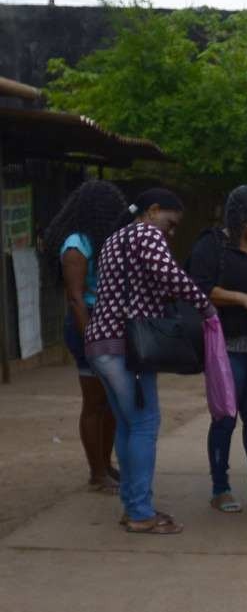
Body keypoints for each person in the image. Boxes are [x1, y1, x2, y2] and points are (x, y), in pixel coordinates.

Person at [85, 188, 216, 535]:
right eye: (170, 224)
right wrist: (204, 305)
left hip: (101, 343)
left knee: (128, 424)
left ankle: (133, 506)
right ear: (153, 210)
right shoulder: (145, 233)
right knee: (144, 424)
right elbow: (169, 275)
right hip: (128, 347)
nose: (170, 233)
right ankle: (141, 512)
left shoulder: (114, 238)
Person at [187, 185, 247, 513]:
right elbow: (199, 289)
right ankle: (219, 487)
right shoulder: (213, 245)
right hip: (227, 347)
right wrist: (241, 297)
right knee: (225, 416)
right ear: (241, 213)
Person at [43, 180, 128, 493]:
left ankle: (106, 464)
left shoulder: (107, 240)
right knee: (94, 401)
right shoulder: (77, 244)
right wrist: (91, 339)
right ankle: (96, 473)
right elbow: (76, 298)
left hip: (109, 325)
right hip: (87, 326)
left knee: (111, 401)